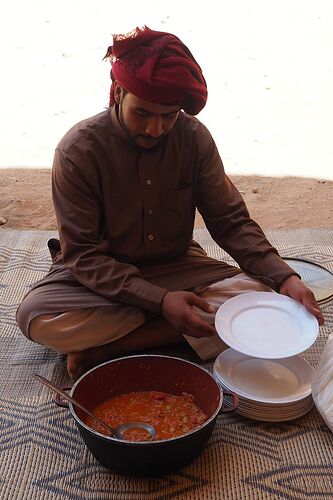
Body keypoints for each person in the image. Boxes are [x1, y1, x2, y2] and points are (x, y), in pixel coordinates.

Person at [16, 26, 324, 380]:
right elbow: (84, 255)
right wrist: (160, 301)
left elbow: (231, 222)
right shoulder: (78, 152)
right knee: (38, 317)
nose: (155, 129)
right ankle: (174, 324)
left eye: (169, 115)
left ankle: (110, 348)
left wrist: (284, 277)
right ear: (117, 93)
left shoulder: (194, 139)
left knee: (264, 297)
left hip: (178, 266)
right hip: (102, 275)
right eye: (143, 113)